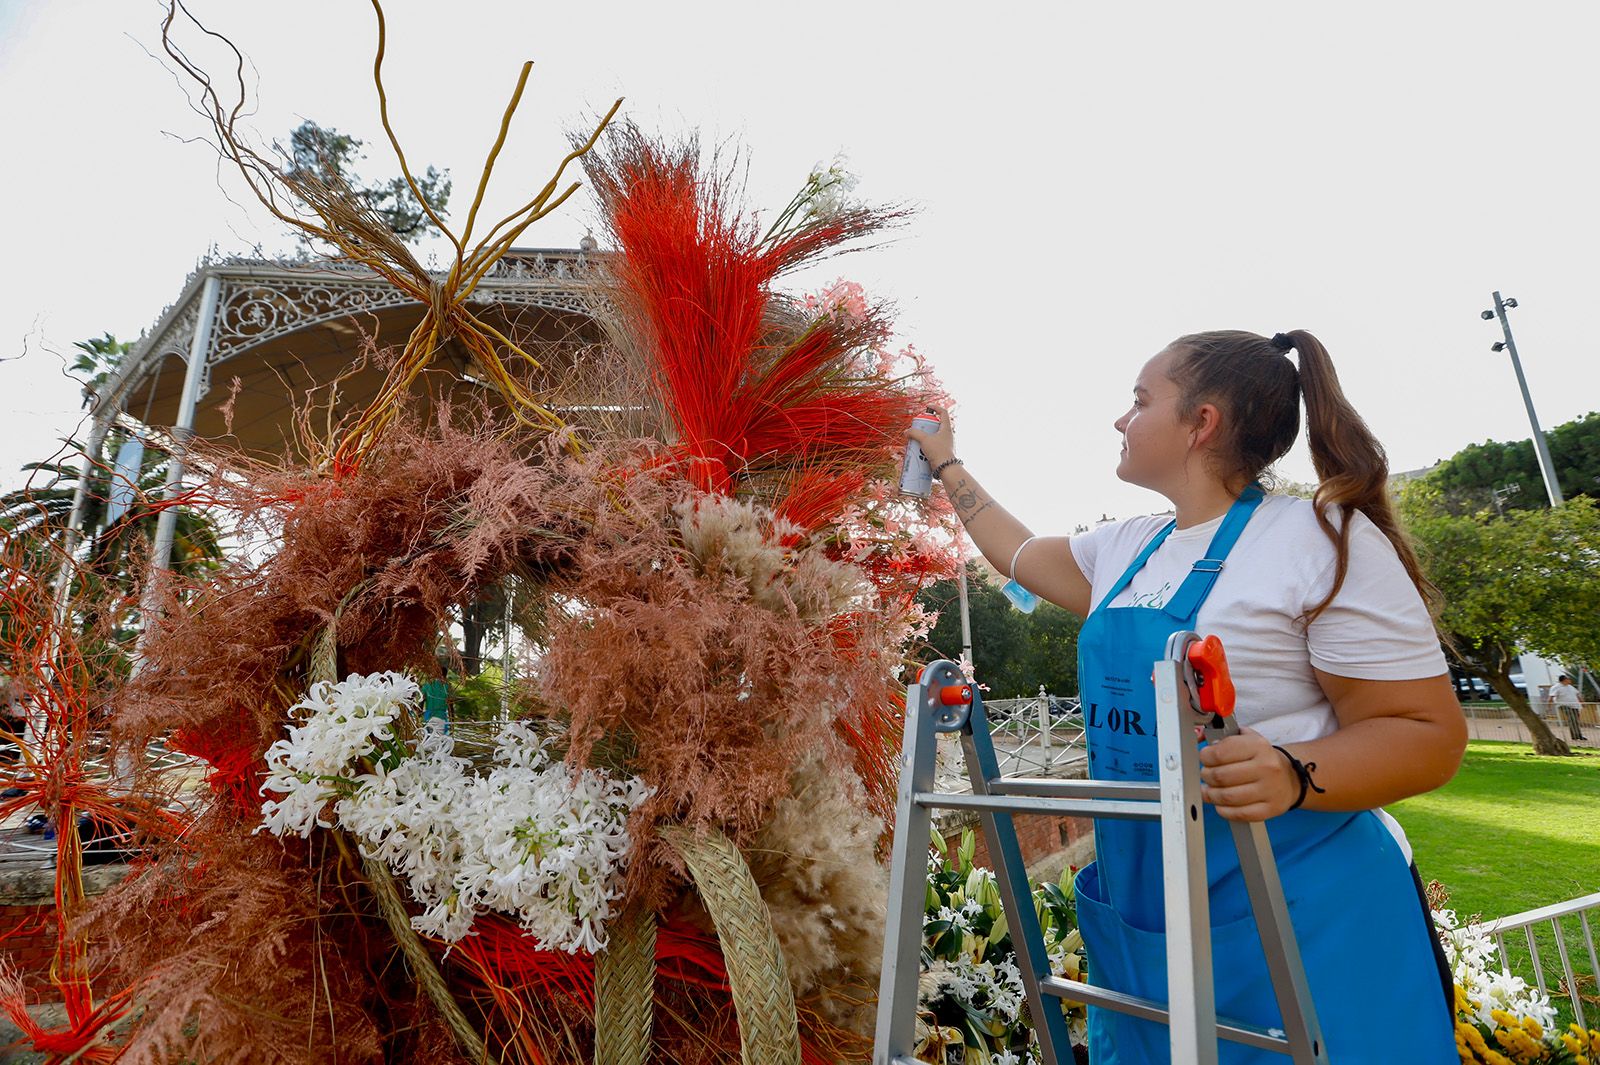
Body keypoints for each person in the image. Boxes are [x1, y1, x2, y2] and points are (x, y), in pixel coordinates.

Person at [908, 329, 1466, 1064]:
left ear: (1201, 423)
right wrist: (945, 459)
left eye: (1140, 400)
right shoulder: (1122, 550)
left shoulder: (1320, 541)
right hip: (1154, 911)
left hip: (1303, 910)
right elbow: (1012, 550)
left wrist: (1292, 772)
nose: (1120, 419)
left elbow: (1427, 731)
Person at [1551, 674, 1586, 741]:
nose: (1569, 680)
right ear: (1564, 680)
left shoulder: (1570, 687)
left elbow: (1577, 694)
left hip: (1574, 706)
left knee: (1575, 721)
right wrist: (1548, 706)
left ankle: (1578, 735)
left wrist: (1582, 703)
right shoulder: (1556, 687)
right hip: (1565, 706)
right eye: (1568, 679)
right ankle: (1575, 736)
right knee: (1572, 720)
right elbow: (1551, 696)